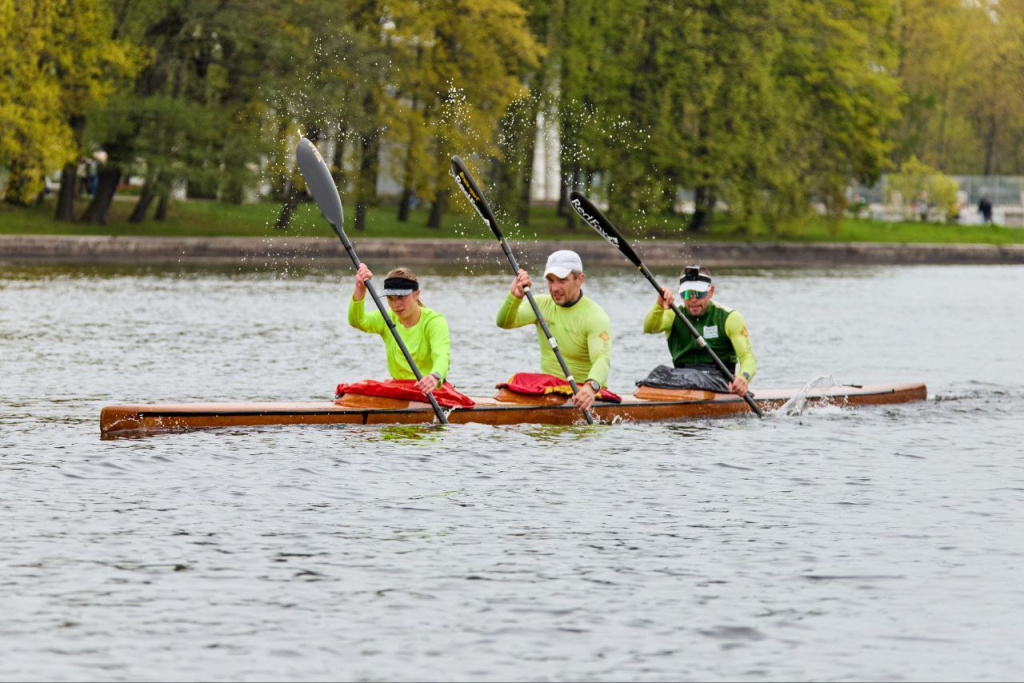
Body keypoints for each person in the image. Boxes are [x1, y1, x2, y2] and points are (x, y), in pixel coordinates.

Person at [496, 249, 612, 412]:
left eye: (562, 280)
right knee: (520, 379)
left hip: (583, 395)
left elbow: (602, 359)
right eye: (550, 281)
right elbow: (504, 322)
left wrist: (591, 386)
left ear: (579, 280)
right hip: (548, 392)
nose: (554, 288)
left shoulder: (595, 316)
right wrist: (514, 297)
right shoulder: (540, 304)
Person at [642, 265, 756, 397]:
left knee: (692, 377)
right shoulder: (674, 313)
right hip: (681, 379)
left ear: (711, 291)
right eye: (687, 294)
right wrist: (659, 305)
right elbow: (650, 328)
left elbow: (748, 357)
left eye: (699, 293)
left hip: (719, 380)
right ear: (680, 292)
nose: (693, 299)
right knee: (659, 373)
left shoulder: (729, 317)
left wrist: (743, 378)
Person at [348, 264, 450, 395]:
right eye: (390, 298)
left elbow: (442, 355)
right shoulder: (387, 318)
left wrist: (435, 376)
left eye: (401, 297)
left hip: (431, 392)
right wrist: (360, 288)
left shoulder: (434, 321)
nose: (396, 304)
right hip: (398, 390)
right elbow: (357, 321)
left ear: (416, 294)